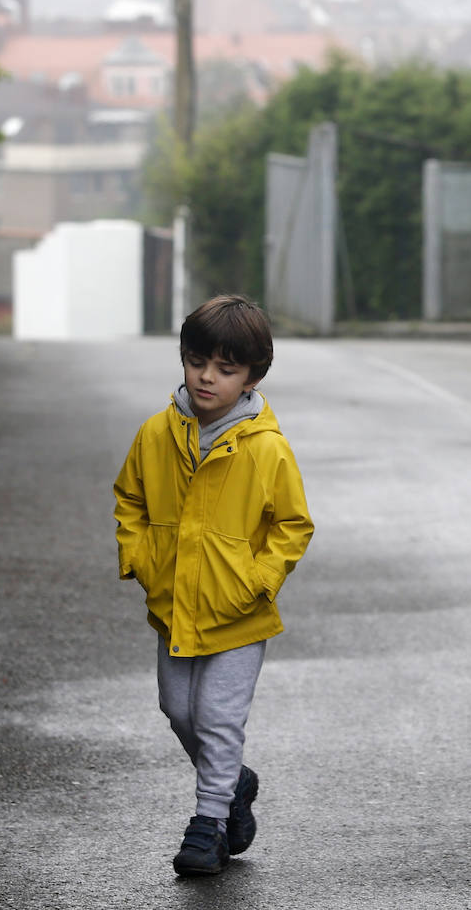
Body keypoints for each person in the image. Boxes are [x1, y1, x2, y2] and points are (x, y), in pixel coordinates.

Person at [113, 294, 314, 876]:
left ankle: (208, 824)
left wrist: (259, 580)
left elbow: (293, 525)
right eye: (198, 361)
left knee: (218, 719)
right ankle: (232, 784)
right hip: (175, 603)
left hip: (239, 612)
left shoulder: (266, 448)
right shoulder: (156, 434)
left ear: (252, 376)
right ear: (184, 357)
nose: (207, 377)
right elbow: (129, 497)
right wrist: (142, 558)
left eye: (226, 369)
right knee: (178, 710)